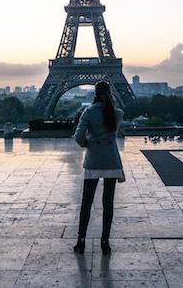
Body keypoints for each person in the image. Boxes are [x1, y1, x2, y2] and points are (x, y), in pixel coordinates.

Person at [72, 81, 124, 256]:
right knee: (108, 203)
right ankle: (105, 242)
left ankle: (81, 241)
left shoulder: (88, 112)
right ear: (110, 93)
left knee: (86, 203)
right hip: (110, 160)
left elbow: (79, 137)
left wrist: (88, 144)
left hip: (94, 159)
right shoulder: (117, 113)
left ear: (95, 93)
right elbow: (113, 133)